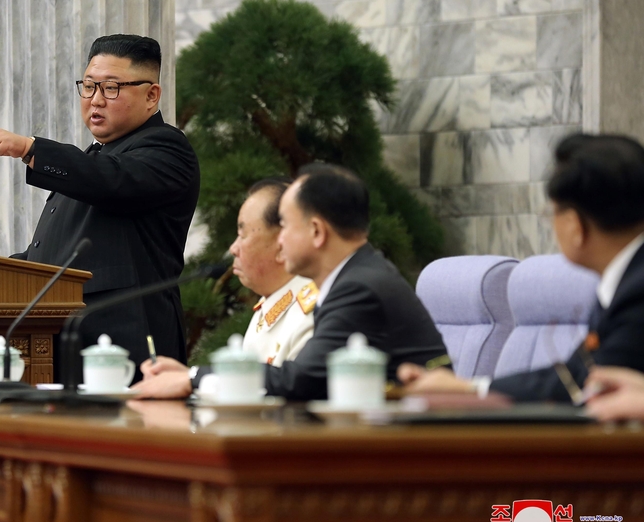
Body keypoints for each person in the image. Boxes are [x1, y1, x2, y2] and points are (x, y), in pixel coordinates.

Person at [0, 34, 200, 377]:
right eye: (89, 86)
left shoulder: (167, 149)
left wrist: (32, 149)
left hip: (128, 349)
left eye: (111, 88)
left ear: (151, 95)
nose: (95, 100)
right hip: (67, 344)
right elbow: (51, 258)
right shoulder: (92, 160)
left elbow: (113, 179)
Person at [134, 164, 449, 400]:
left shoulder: (359, 287)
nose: (279, 241)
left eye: (284, 226)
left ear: (316, 231)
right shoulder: (358, 275)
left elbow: (301, 380)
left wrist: (193, 378)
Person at [399, 133, 644, 402]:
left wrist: (469, 389)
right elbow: (576, 373)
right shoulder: (623, 280)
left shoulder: (637, 290)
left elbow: (591, 385)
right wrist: (464, 386)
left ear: (575, 226)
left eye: (549, 214)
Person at [234, 178, 316, 367]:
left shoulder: (310, 315)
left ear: (282, 246)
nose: (233, 248)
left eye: (243, 235)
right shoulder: (269, 305)